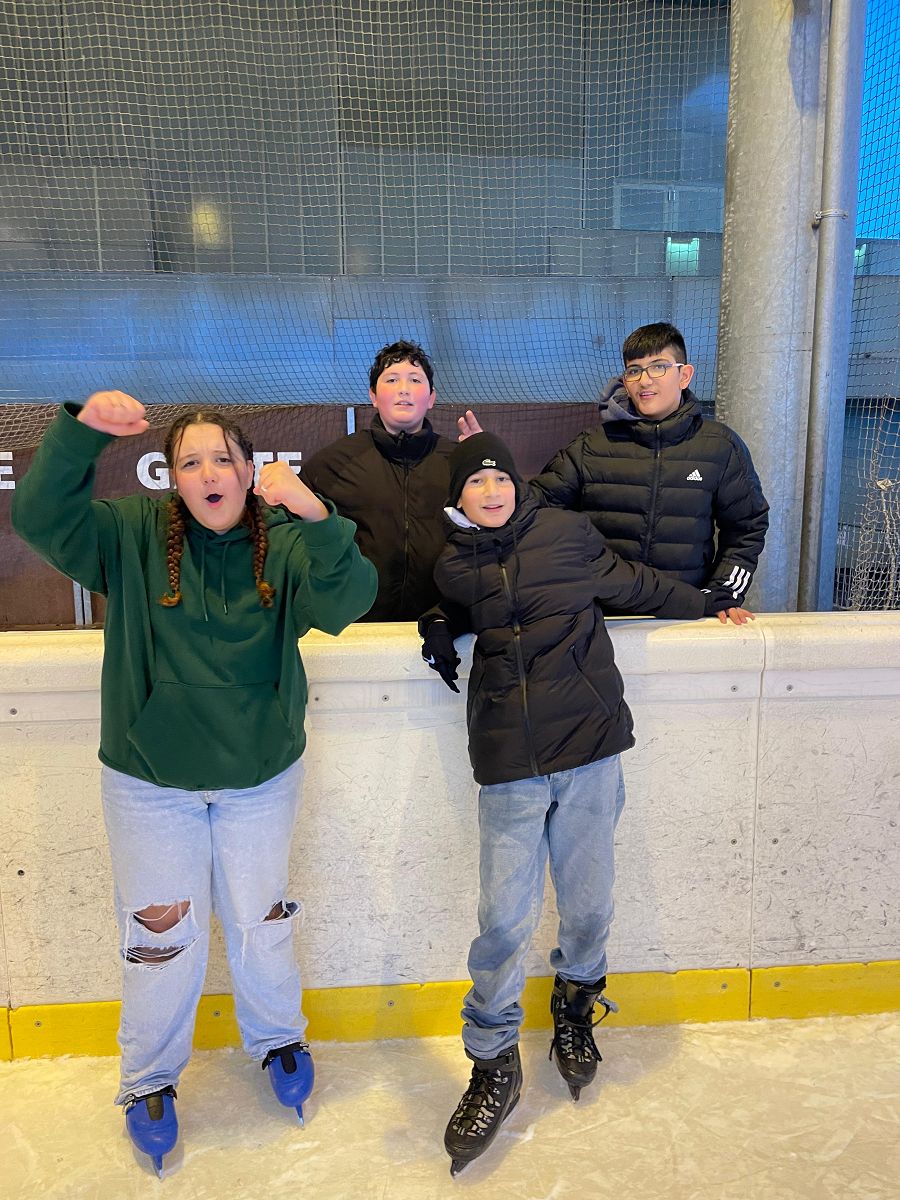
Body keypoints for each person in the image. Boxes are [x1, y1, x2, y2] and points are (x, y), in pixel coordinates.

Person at [12, 392, 377, 1176]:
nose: (208, 473)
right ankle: (149, 1078)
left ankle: (278, 1037)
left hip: (259, 777)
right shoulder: (129, 534)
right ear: (171, 479)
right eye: (190, 462)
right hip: (151, 780)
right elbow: (38, 518)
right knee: (160, 937)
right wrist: (79, 434)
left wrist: (318, 516)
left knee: (259, 919)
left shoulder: (284, 541)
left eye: (222, 459)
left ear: (248, 471)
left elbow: (348, 600)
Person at [423, 433, 751, 1177]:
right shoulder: (454, 563)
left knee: (589, 904)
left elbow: (634, 583)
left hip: (589, 749)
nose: (492, 491)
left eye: (500, 479)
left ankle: (574, 1006)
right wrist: (436, 622)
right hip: (509, 763)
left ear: (517, 485)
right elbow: (461, 599)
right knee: (502, 923)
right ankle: (493, 1063)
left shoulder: (566, 534)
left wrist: (710, 603)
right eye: (475, 483)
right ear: (458, 499)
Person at [466, 322, 769, 624]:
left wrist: (722, 591)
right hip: (602, 617)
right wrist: (491, 468)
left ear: (684, 375)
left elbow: (747, 526)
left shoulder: (720, 446)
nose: (644, 381)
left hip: (683, 614)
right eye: (634, 370)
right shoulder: (591, 447)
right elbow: (534, 506)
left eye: (658, 367)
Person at [303, 339, 476, 623]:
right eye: (392, 379)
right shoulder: (337, 461)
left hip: (441, 626)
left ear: (431, 398)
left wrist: (487, 460)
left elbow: (512, 520)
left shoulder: (459, 461)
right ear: (373, 396)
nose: (403, 389)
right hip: (359, 626)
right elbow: (290, 529)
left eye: (415, 380)